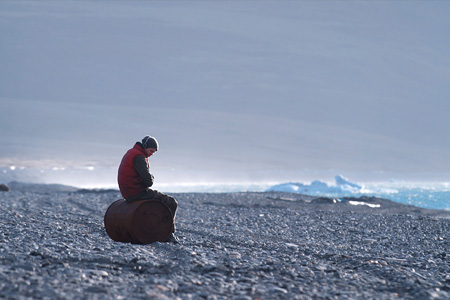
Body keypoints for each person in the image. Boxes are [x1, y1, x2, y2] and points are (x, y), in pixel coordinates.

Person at [118, 136, 179, 243]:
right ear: (145, 147)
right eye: (151, 151)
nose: (151, 154)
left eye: (154, 152)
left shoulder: (131, 152)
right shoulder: (139, 157)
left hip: (127, 192)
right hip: (136, 192)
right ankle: (169, 233)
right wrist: (150, 177)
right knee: (171, 202)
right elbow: (149, 182)